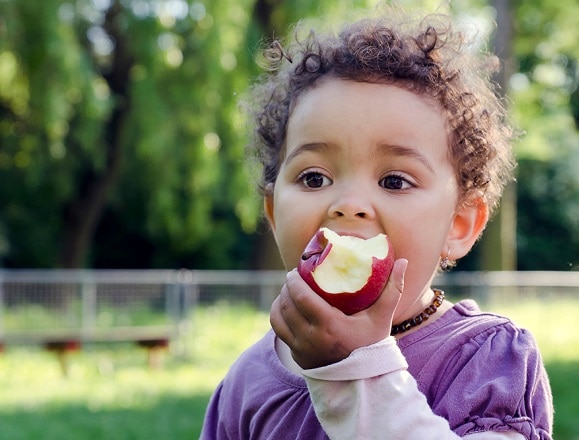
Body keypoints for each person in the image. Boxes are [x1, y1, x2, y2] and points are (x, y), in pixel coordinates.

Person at [201, 6, 553, 440]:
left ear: (459, 224)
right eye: (314, 177)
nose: (349, 205)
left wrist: (355, 369)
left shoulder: (487, 360)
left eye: (394, 180)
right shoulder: (247, 382)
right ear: (274, 214)